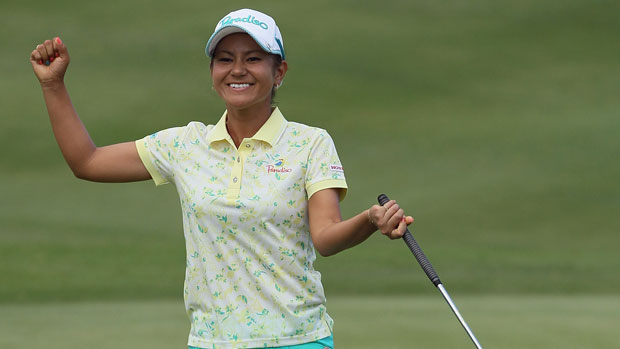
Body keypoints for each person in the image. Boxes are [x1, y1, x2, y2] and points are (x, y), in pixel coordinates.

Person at [30, 8, 413, 349]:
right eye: (224, 59)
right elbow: (87, 162)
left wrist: (367, 221)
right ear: (213, 72)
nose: (237, 69)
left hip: (296, 338)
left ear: (278, 71)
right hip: (209, 340)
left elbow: (326, 237)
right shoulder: (185, 144)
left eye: (254, 58)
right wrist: (53, 85)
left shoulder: (310, 143)